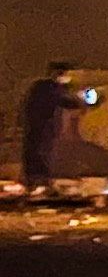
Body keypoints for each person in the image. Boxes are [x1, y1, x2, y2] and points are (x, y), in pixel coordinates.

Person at [20, 59, 69, 190]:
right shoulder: (46, 87)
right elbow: (63, 101)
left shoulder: (47, 87)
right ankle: (37, 181)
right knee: (38, 153)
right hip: (39, 127)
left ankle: (37, 180)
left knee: (41, 153)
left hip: (41, 127)